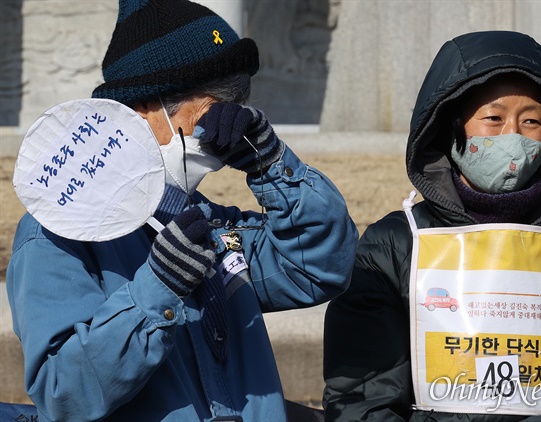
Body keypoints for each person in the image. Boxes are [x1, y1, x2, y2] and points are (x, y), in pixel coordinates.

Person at [7, 0, 358, 421]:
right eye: (213, 108)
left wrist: (271, 163)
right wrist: (157, 288)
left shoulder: (208, 222)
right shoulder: (57, 235)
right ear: (146, 109)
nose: (223, 126)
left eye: (235, 110)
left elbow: (319, 266)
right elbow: (64, 393)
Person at [322, 30, 541, 421]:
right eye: (493, 118)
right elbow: (362, 396)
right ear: (451, 129)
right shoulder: (396, 245)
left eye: (532, 121)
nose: (513, 137)